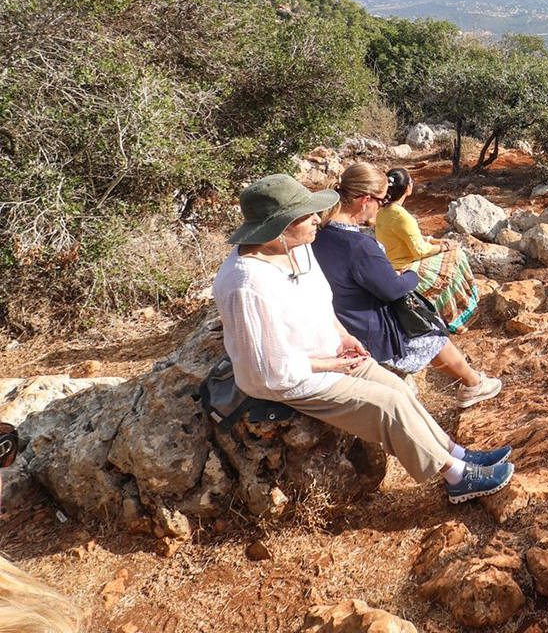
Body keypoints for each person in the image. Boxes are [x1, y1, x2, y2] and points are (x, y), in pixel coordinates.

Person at [212, 174, 513, 503]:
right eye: (306, 214)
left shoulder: (298, 247)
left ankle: (455, 452)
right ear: (280, 226)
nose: (317, 218)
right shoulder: (247, 284)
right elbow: (270, 369)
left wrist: (343, 337)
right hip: (295, 377)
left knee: (397, 388)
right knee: (389, 405)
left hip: (329, 355)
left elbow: (321, 301)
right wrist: (333, 364)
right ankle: (456, 476)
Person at [312, 164, 502, 409]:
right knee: (429, 328)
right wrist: (410, 275)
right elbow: (393, 290)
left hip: (338, 316)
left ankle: (472, 382)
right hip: (365, 329)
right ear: (365, 200)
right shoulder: (359, 245)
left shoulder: (319, 232)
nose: (381, 207)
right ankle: (473, 384)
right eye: (381, 201)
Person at [375, 168, 479, 333]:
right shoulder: (401, 215)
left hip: (391, 264)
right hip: (405, 267)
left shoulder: (383, 211)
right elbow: (419, 250)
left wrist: (436, 241)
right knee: (456, 256)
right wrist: (443, 247)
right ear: (407, 188)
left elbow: (411, 237)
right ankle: (456, 316)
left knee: (450, 253)